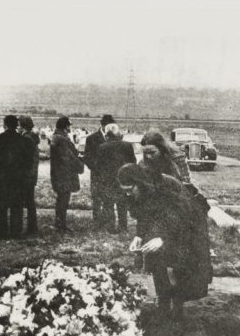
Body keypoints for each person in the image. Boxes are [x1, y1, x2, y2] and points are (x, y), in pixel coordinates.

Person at [117, 163, 212, 322]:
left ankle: (178, 307)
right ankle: (163, 303)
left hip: (186, 226)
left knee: (176, 266)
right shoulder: (141, 192)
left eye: (129, 190)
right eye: (124, 191)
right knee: (157, 261)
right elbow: (144, 216)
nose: (127, 195)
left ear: (139, 183)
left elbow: (177, 216)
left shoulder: (165, 186)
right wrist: (139, 236)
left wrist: (162, 238)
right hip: (164, 228)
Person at [0, 115, 37, 239]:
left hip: (1, 178)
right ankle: (16, 232)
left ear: (4, 124)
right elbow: (29, 161)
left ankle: (3, 232)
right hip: (18, 179)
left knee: (2, 208)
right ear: (17, 125)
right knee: (17, 206)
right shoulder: (24, 141)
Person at [93, 123, 137, 231]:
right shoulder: (127, 145)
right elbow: (133, 162)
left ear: (107, 134)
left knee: (108, 203)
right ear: (118, 133)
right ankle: (123, 226)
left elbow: (97, 165)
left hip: (107, 179)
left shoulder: (102, 147)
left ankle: (110, 226)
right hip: (123, 178)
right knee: (122, 202)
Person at [49, 115, 84, 232]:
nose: (70, 128)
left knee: (61, 200)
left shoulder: (57, 138)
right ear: (65, 127)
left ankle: (59, 224)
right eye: (69, 125)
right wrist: (80, 165)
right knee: (63, 200)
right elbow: (68, 158)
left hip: (58, 174)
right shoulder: (62, 139)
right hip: (65, 175)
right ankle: (61, 225)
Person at [84, 114, 115, 222]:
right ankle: (97, 222)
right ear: (103, 125)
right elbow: (87, 158)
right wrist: (97, 168)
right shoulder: (91, 139)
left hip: (111, 175)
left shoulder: (115, 139)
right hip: (97, 174)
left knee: (109, 199)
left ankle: (109, 222)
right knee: (97, 199)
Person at [18, 116, 41, 235]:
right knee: (30, 202)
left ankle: (28, 228)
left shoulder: (26, 139)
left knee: (24, 202)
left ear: (22, 126)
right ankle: (32, 227)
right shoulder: (33, 137)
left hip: (26, 175)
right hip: (32, 175)